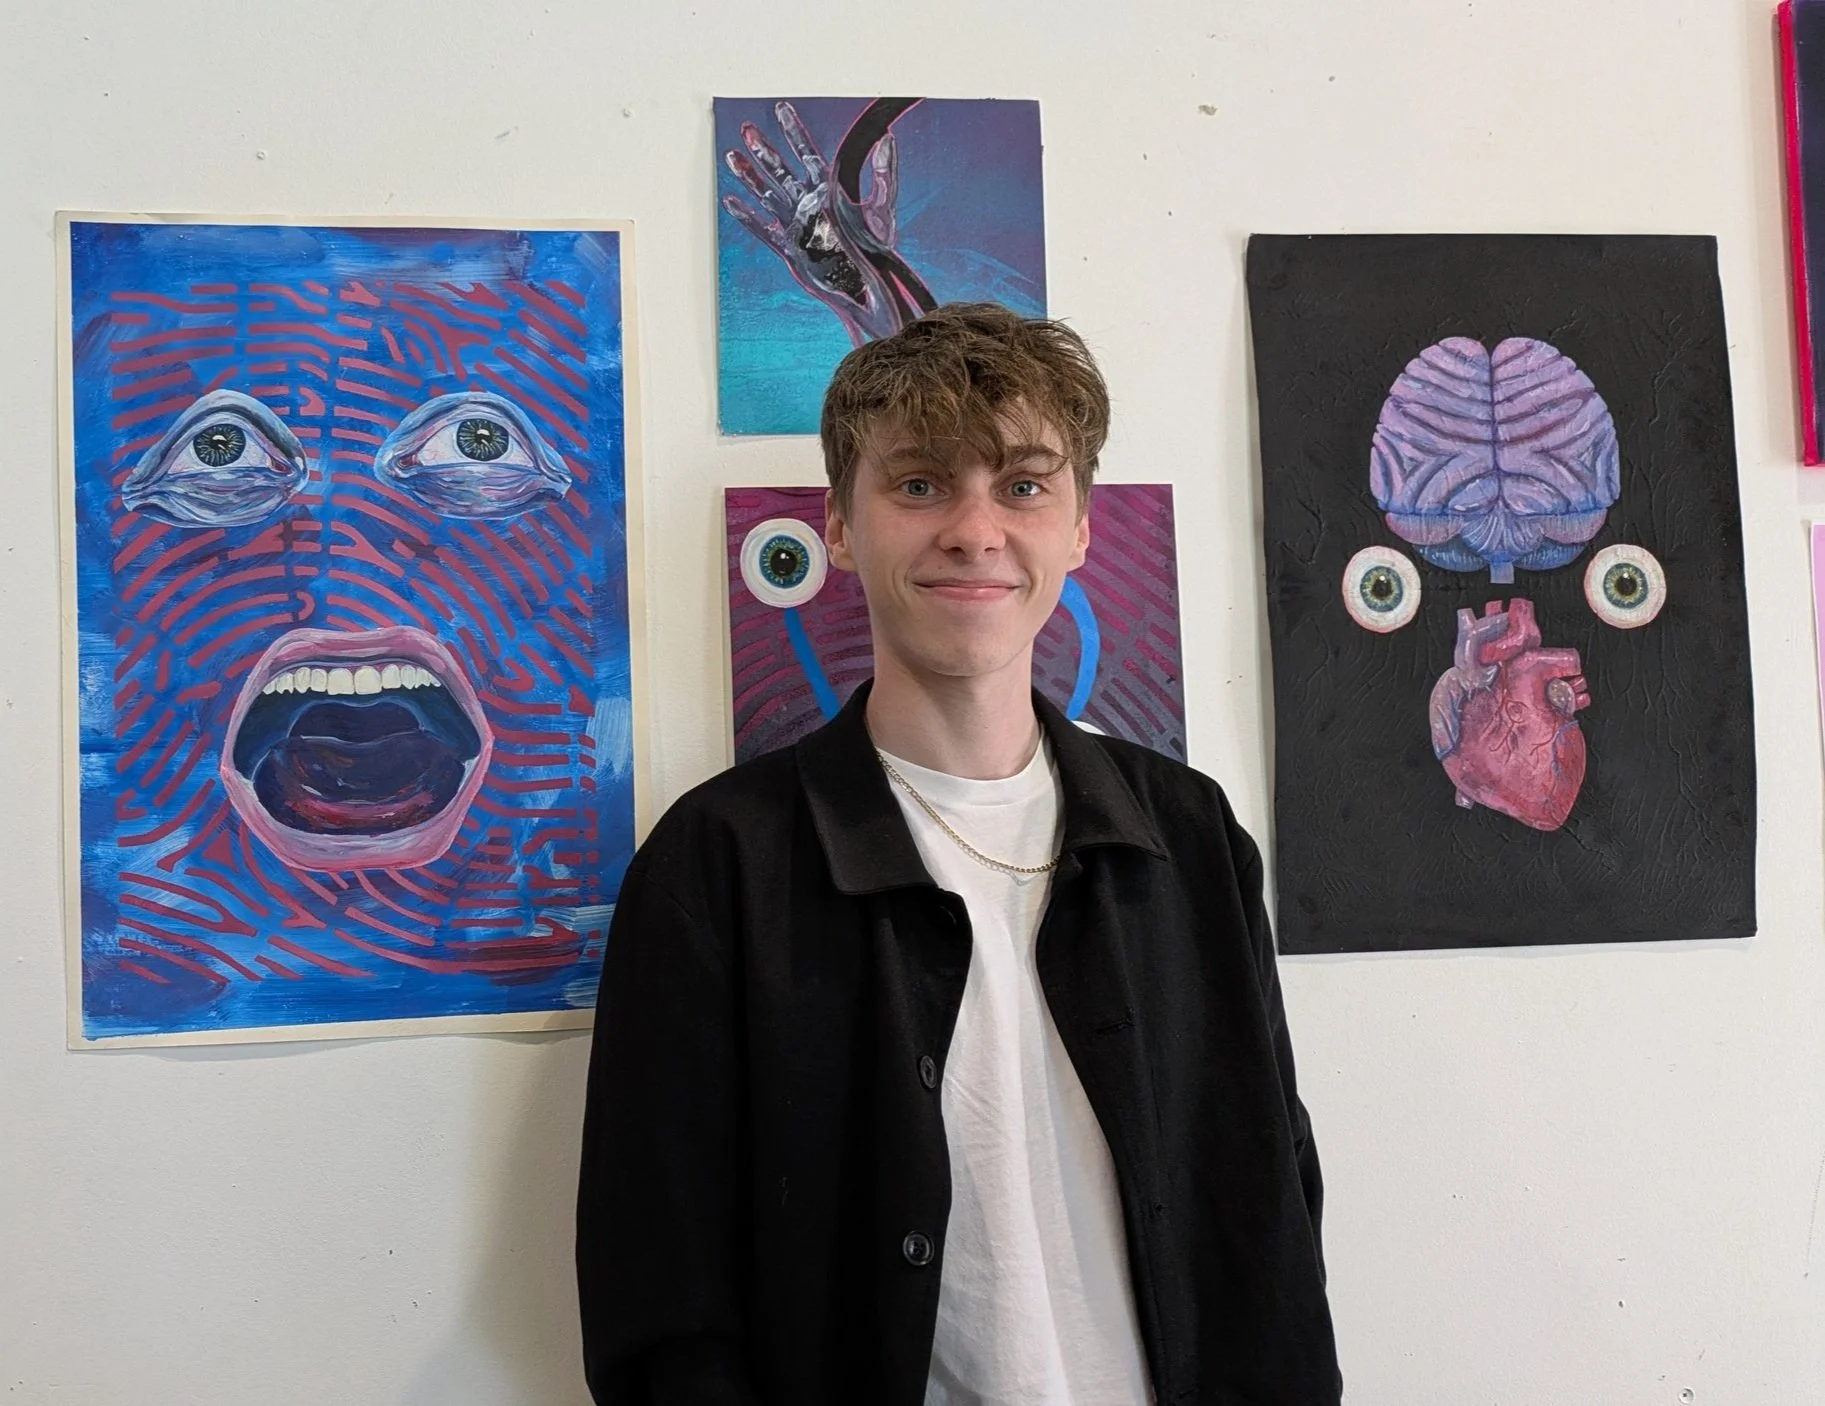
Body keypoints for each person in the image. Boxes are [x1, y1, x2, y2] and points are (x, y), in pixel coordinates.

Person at [575, 303, 1341, 1405]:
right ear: (840, 525)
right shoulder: (719, 862)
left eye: (1023, 484)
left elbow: (1275, 1201)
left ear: (1080, 526)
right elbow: (659, 1289)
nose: (975, 530)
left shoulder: (1189, 835)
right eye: (921, 482)